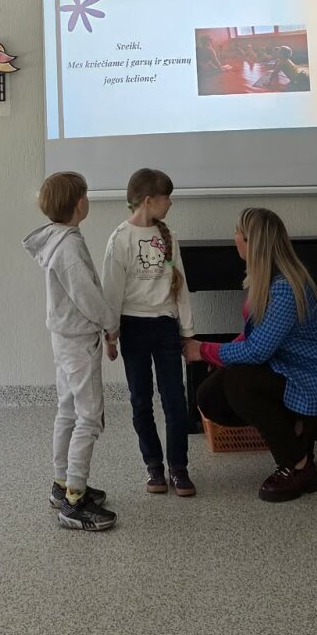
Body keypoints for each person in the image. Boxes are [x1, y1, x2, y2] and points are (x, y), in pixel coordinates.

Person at [185, 207, 317, 502]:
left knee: (238, 382)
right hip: (292, 369)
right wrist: (221, 356)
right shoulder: (268, 279)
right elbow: (257, 334)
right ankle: (299, 432)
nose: (234, 238)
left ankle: (298, 466)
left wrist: (203, 351)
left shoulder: (285, 288)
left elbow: (257, 350)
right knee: (211, 394)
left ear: (253, 243)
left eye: (238, 232)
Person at [23, 171, 117, 531]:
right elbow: (87, 295)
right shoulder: (69, 247)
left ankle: (62, 484)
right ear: (79, 204)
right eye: (86, 195)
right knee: (88, 416)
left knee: (67, 410)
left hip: (64, 337)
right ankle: (74, 502)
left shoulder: (57, 239)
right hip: (79, 340)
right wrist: (111, 324)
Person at [102, 168, 197, 497]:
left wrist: (188, 333)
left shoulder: (169, 237)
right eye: (166, 197)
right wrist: (111, 335)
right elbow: (112, 292)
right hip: (133, 327)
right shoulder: (120, 239)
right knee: (141, 400)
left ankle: (178, 467)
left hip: (166, 326)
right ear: (148, 200)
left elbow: (180, 288)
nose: (170, 203)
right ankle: (154, 466)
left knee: (175, 400)